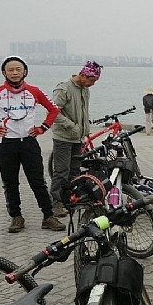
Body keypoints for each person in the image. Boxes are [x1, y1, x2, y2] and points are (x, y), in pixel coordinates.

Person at [0, 56, 66, 233]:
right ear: (4, 72)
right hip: (6, 144)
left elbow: (53, 109)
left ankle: (48, 217)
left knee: (38, 181)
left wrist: (42, 128)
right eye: (10, 70)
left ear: (25, 71)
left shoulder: (34, 91)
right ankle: (16, 217)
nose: (14, 72)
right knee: (10, 183)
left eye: (18, 69)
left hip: (29, 143)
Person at [49, 60, 102, 218]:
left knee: (75, 171)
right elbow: (53, 112)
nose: (93, 84)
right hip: (63, 137)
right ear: (84, 75)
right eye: (92, 80)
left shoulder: (85, 90)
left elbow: (83, 111)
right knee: (61, 171)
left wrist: (84, 129)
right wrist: (71, 126)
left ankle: (71, 200)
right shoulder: (64, 88)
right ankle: (57, 203)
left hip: (78, 138)